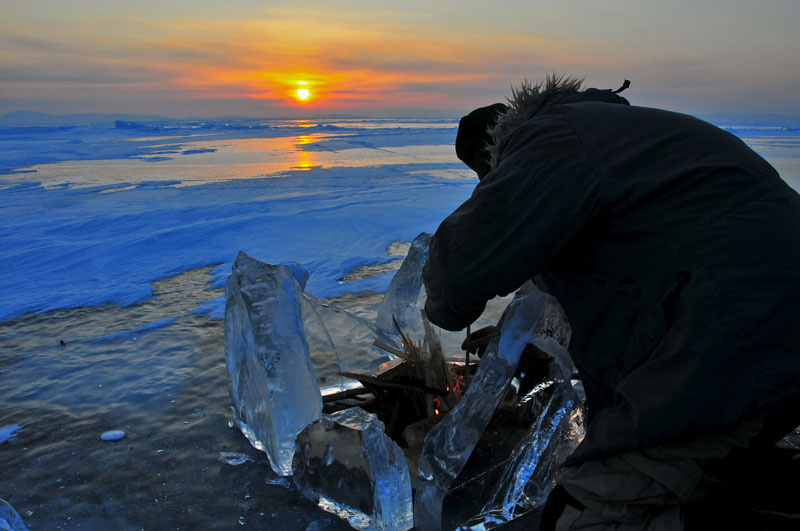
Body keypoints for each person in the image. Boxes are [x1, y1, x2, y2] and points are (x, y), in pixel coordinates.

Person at [421, 75, 800, 530]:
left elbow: (457, 274)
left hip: (738, 336)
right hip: (770, 324)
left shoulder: (551, 141)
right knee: (722, 461)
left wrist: (441, 307)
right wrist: (518, 341)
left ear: (495, 159)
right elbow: (612, 279)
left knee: (587, 512)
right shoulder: (624, 137)